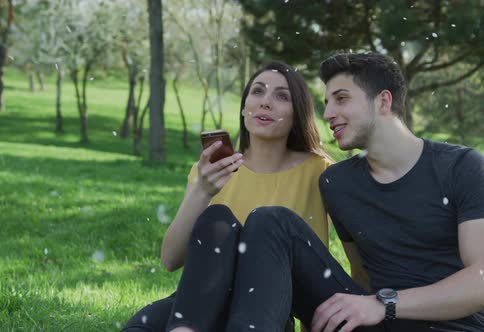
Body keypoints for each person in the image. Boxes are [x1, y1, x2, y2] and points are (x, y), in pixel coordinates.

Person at [220, 52, 484, 332]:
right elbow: (361, 275)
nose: (328, 113)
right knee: (270, 221)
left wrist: (385, 304)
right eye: (327, 102)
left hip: (460, 326)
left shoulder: (463, 166)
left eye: (342, 99)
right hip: (378, 323)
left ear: (383, 101)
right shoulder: (337, 183)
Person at [122, 61, 332, 332]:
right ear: (244, 107)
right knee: (142, 326)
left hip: (266, 308)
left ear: (298, 113)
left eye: (282, 96)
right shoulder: (212, 171)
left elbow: (317, 270)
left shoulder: (320, 171)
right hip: (201, 303)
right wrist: (202, 190)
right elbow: (170, 259)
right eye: (258, 91)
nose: (266, 102)